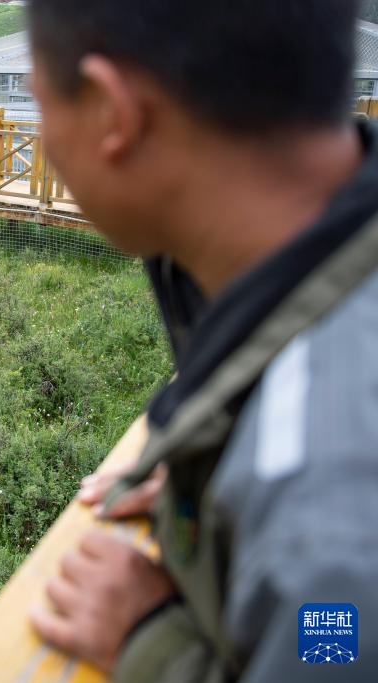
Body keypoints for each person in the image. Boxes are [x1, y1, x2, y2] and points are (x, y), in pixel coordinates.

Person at [23, 1, 378, 681]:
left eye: (40, 103)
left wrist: (153, 642)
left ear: (110, 112)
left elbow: (329, 648)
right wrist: (222, 478)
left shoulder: (326, 528)